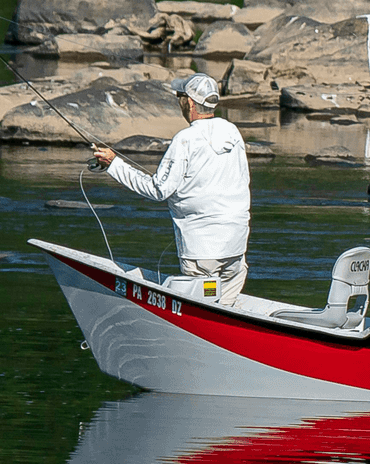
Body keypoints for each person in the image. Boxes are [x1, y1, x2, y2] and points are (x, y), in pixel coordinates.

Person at [90, 72, 251, 307]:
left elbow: (158, 190)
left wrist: (114, 165)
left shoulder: (185, 139)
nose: (179, 102)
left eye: (180, 96)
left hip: (200, 251)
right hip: (236, 246)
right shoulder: (233, 133)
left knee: (202, 315)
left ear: (191, 103)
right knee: (224, 311)